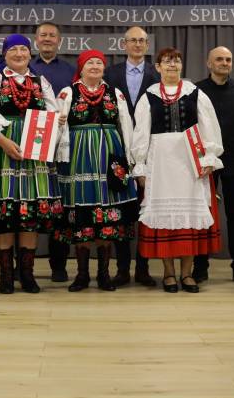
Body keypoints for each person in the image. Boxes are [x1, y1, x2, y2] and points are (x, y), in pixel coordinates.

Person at [131, 47, 223, 293]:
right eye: (167, 61)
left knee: (188, 219)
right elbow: (141, 133)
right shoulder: (148, 96)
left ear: (181, 65)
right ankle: (169, 273)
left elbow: (209, 127)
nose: (172, 65)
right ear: (158, 67)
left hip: (189, 161)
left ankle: (187, 274)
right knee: (164, 219)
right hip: (160, 162)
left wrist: (209, 157)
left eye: (176, 61)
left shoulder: (196, 93)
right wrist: (140, 165)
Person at [0, 34, 61, 294]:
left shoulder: (41, 82)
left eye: (24, 49)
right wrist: (2, 141)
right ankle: (6, 275)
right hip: (3, 150)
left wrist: (56, 123)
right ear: (5, 54)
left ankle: (27, 274)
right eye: (13, 49)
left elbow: (52, 112)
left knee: (29, 213)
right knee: (4, 211)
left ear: (30, 53)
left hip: (33, 151)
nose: (19, 53)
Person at [54, 49, 139, 292]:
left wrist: (131, 159)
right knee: (82, 211)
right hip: (78, 156)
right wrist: (58, 124)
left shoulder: (115, 93)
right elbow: (55, 127)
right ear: (81, 68)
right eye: (89, 62)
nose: (95, 66)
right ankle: (82, 275)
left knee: (107, 211)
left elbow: (126, 126)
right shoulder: (68, 93)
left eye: (99, 63)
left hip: (109, 155)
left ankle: (103, 274)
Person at [192, 46, 234, 285]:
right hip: (205, 162)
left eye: (228, 59)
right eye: (219, 59)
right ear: (209, 63)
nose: (224, 63)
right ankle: (200, 267)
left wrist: (233, 146)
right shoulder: (196, 91)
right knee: (203, 215)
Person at [104, 25, 160, 287]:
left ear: (147, 46)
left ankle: (143, 269)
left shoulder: (157, 75)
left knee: (146, 211)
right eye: (133, 40)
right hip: (117, 149)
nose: (137, 45)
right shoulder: (110, 73)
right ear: (124, 45)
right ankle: (123, 268)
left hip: (151, 150)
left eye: (142, 41)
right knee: (123, 211)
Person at [29, 22, 77, 282]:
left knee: (61, 204)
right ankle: (23, 268)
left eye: (52, 35)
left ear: (59, 41)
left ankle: (59, 265)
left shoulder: (71, 71)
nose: (47, 39)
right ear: (36, 40)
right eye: (43, 35)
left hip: (62, 146)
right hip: (31, 144)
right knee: (30, 203)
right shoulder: (23, 66)